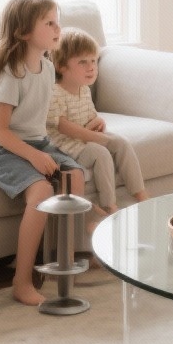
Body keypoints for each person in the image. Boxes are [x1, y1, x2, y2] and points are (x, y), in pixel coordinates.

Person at [0, 0, 89, 307]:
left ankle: (61, 266)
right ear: (23, 32)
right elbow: (0, 131)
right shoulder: (10, 72)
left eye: (57, 20)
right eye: (48, 22)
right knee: (40, 193)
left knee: (75, 178)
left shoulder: (48, 67)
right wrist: (35, 157)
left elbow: (39, 123)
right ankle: (21, 281)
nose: (57, 27)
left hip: (35, 141)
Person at [47, 27, 148, 214]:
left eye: (93, 60)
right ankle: (109, 206)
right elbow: (63, 126)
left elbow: (90, 118)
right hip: (65, 146)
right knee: (100, 152)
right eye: (83, 62)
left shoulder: (84, 89)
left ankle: (141, 196)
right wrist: (96, 138)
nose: (91, 67)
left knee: (121, 143)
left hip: (84, 139)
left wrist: (98, 122)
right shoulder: (55, 92)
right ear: (62, 66)